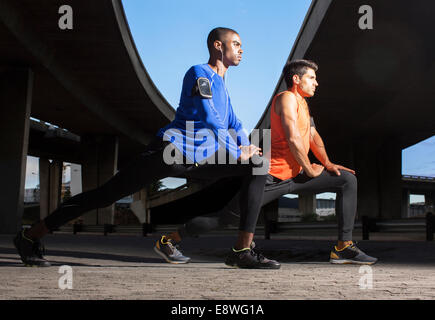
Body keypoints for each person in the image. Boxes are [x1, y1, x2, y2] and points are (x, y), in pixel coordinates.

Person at [13, 27, 280, 270]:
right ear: (217, 46)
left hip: (200, 159)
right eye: (235, 43)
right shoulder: (199, 73)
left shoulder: (223, 86)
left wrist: (247, 146)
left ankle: (242, 250)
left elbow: (234, 121)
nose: (241, 49)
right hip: (169, 152)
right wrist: (236, 153)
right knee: (104, 196)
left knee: (257, 165)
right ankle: (29, 236)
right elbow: (210, 117)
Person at [157, 59, 378, 265]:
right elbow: (292, 137)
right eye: (311, 78)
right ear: (296, 79)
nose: (316, 83)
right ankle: (169, 240)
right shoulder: (286, 99)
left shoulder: (303, 103)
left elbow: (312, 136)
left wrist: (327, 163)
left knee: (347, 179)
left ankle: (343, 247)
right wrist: (310, 169)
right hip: (270, 176)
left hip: (297, 175)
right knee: (225, 219)